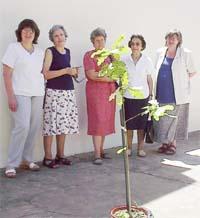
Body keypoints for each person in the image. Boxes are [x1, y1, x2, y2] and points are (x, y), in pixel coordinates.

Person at [2, 19, 45, 178]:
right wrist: (10, 96)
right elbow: (6, 74)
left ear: (35, 34)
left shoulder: (40, 52)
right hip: (20, 93)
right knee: (22, 126)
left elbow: (42, 73)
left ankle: (27, 160)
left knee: (33, 127)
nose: (28, 33)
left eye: (31, 31)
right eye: (25, 30)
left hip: (38, 93)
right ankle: (12, 164)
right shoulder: (13, 48)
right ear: (20, 32)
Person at [154, 29, 196, 155]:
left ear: (179, 41)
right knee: (162, 119)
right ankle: (165, 143)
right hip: (161, 91)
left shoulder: (185, 53)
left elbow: (192, 71)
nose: (171, 40)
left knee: (174, 119)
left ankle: (173, 144)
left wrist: (181, 81)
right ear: (166, 39)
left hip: (177, 93)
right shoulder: (160, 52)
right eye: (169, 37)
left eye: (174, 38)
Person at [42, 25, 79, 168]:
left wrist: (73, 72)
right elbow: (45, 74)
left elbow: (68, 72)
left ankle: (60, 155)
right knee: (51, 125)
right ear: (52, 38)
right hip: (53, 92)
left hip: (67, 92)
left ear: (65, 36)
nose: (59, 38)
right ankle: (47, 157)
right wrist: (65, 70)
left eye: (62, 35)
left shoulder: (68, 52)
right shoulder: (50, 51)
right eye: (56, 35)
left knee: (63, 125)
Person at [83, 28, 116, 165]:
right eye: (97, 40)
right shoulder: (89, 55)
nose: (100, 43)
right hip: (95, 93)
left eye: (102, 40)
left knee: (105, 121)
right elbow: (91, 74)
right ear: (92, 42)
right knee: (98, 120)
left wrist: (106, 77)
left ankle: (101, 150)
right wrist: (108, 78)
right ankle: (96, 154)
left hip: (109, 93)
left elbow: (116, 73)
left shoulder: (110, 56)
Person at [122, 34, 153, 157]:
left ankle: (140, 148)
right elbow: (121, 78)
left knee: (141, 125)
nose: (135, 46)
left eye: (137, 44)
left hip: (143, 97)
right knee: (129, 125)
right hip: (128, 96)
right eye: (133, 43)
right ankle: (128, 148)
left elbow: (149, 78)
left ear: (142, 46)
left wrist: (150, 95)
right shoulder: (124, 60)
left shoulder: (147, 60)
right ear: (130, 45)